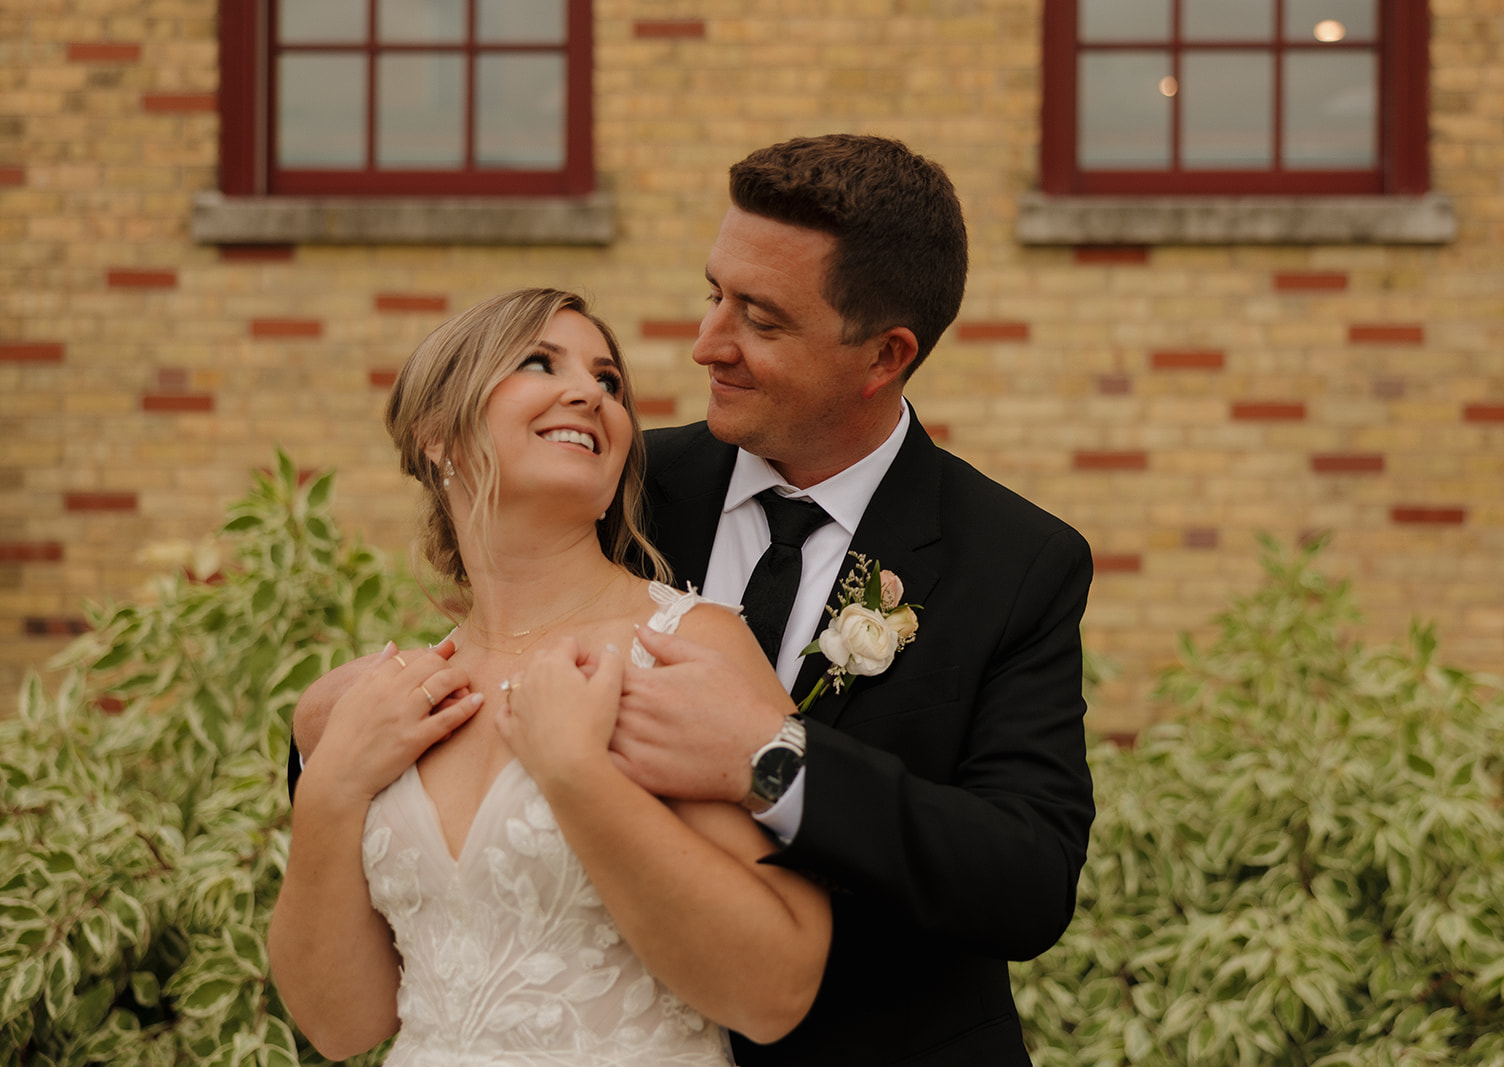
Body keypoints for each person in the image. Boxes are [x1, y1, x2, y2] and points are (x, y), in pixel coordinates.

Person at [608, 134, 1096, 1066]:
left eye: (761, 318)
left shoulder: (1017, 561)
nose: (707, 344)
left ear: (884, 355)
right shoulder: (621, 493)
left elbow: (1027, 877)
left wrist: (771, 763)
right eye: (714, 294)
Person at [269, 288, 831, 1066]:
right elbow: (343, 1025)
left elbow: (774, 989)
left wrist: (576, 774)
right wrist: (330, 788)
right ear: (438, 432)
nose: (589, 393)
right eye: (540, 362)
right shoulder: (386, 702)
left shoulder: (682, 646)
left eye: (609, 382)